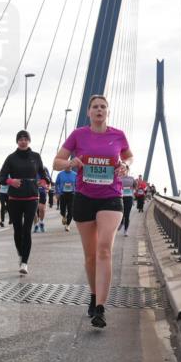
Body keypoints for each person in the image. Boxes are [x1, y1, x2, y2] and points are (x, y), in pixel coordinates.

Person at [53, 95, 132, 328]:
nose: (99, 110)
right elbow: (57, 162)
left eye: (103, 107)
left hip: (111, 197)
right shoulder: (78, 134)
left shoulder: (118, 135)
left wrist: (127, 165)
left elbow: (129, 156)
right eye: (95, 107)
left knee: (104, 249)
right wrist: (71, 163)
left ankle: (100, 308)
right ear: (88, 112)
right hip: (85, 198)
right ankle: (93, 294)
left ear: (108, 111)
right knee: (90, 256)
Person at [0, 130, 45, 275]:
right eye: (20, 139)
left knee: (27, 230)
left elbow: (43, 175)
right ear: (17, 141)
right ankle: (21, 253)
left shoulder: (36, 156)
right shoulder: (11, 158)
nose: (23, 141)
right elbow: (1, 177)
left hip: (32, 198)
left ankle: (25, 262)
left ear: (29, 141)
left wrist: (44, 182)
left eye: (26, 139)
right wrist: (10, 181)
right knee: (17, 230)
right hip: (14, 199)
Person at [55, 167, 77, 231]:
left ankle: (67, 225)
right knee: (62, 209)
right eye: (67, 166)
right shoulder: (60, 174)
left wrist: (77, 192)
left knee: (71, 210)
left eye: (69, 166)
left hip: (72, 194)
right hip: (63, 194)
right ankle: (64, 216)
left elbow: (78, 184)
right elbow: (57, 184)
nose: (68, 167)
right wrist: (57, 192)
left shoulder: (75, 174)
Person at [34, 166, 52, 234]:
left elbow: (49, 181)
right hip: (33, 192)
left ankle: (41, 222)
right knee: (34, 210)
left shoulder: (44, 169)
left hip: (42, 192)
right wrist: (37, 184)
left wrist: (48, 187)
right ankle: (35, 225)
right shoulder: (31, 168)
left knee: (41, 209)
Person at [119, 171, 135, 236]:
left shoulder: (131, 179)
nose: (124, 172)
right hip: (120, 198)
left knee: (127, 215)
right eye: (122, 170)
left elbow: (135, 187)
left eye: (125, 170)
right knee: (121, 214)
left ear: (128, 171)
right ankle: (121, 222)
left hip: (129, 198)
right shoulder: (119, 178)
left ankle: (126, 231)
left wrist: (132, 188)